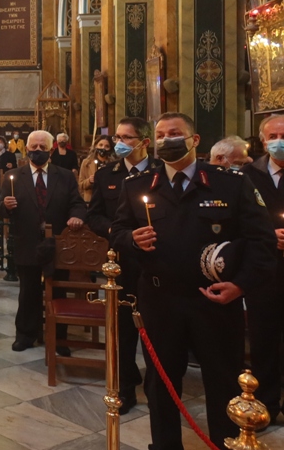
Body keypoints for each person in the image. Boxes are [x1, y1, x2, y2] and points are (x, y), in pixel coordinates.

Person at [111, 112, 275, 450]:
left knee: (222, 381)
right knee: (160, 384)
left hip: (214, 302)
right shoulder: (138, 185)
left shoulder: (230, 183)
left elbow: (262, 241)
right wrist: (131, 239)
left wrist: (241, 285)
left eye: (174, 133)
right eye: (160, 134)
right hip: (160, 301)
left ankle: (222, 444)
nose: (166, 140)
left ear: (194, 140)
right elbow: (118, 231)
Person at [86, 117, 158, 414]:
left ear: (144, 142)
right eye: (117, 137)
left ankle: (157, 389)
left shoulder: (160, 172)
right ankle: (126, 388)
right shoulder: (107, 174)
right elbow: (94, 215)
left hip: (156, 261)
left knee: (156, 329)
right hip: (121, 262)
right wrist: (117, 233)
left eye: (126, 138)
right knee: (123, 330)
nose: (119, 143)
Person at [0, 130, 85, 353]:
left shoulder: (65, 176)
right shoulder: (14, 176)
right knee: (28, 291)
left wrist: (77, 216)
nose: (38, 150)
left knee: (58, 290)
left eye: (42, 147)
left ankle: (59, 338)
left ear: (51, 150)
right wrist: (5, 205)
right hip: (26, 240)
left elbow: (77, 203)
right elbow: (0, 208)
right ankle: (26, 335)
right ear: (27, 149)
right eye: (34, 147)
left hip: (57, 243)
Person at [241, 114, 284, 424]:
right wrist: (270, 235)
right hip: (263, 271)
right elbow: (239, 219)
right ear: (263, 141)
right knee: (263, 340)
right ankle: (266, 403)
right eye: (273, 136)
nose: (279, 141)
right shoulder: (248, 175)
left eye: (283, 135)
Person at [78, 135, 114, 202]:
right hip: (91, 200)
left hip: (108, 200)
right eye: (100, 145)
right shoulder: (86, 163)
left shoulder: (113, 164)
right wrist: (89, 181)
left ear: (110, 148)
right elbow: (80, 185)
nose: (103, 148)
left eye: (107, 146)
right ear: (96, 146)